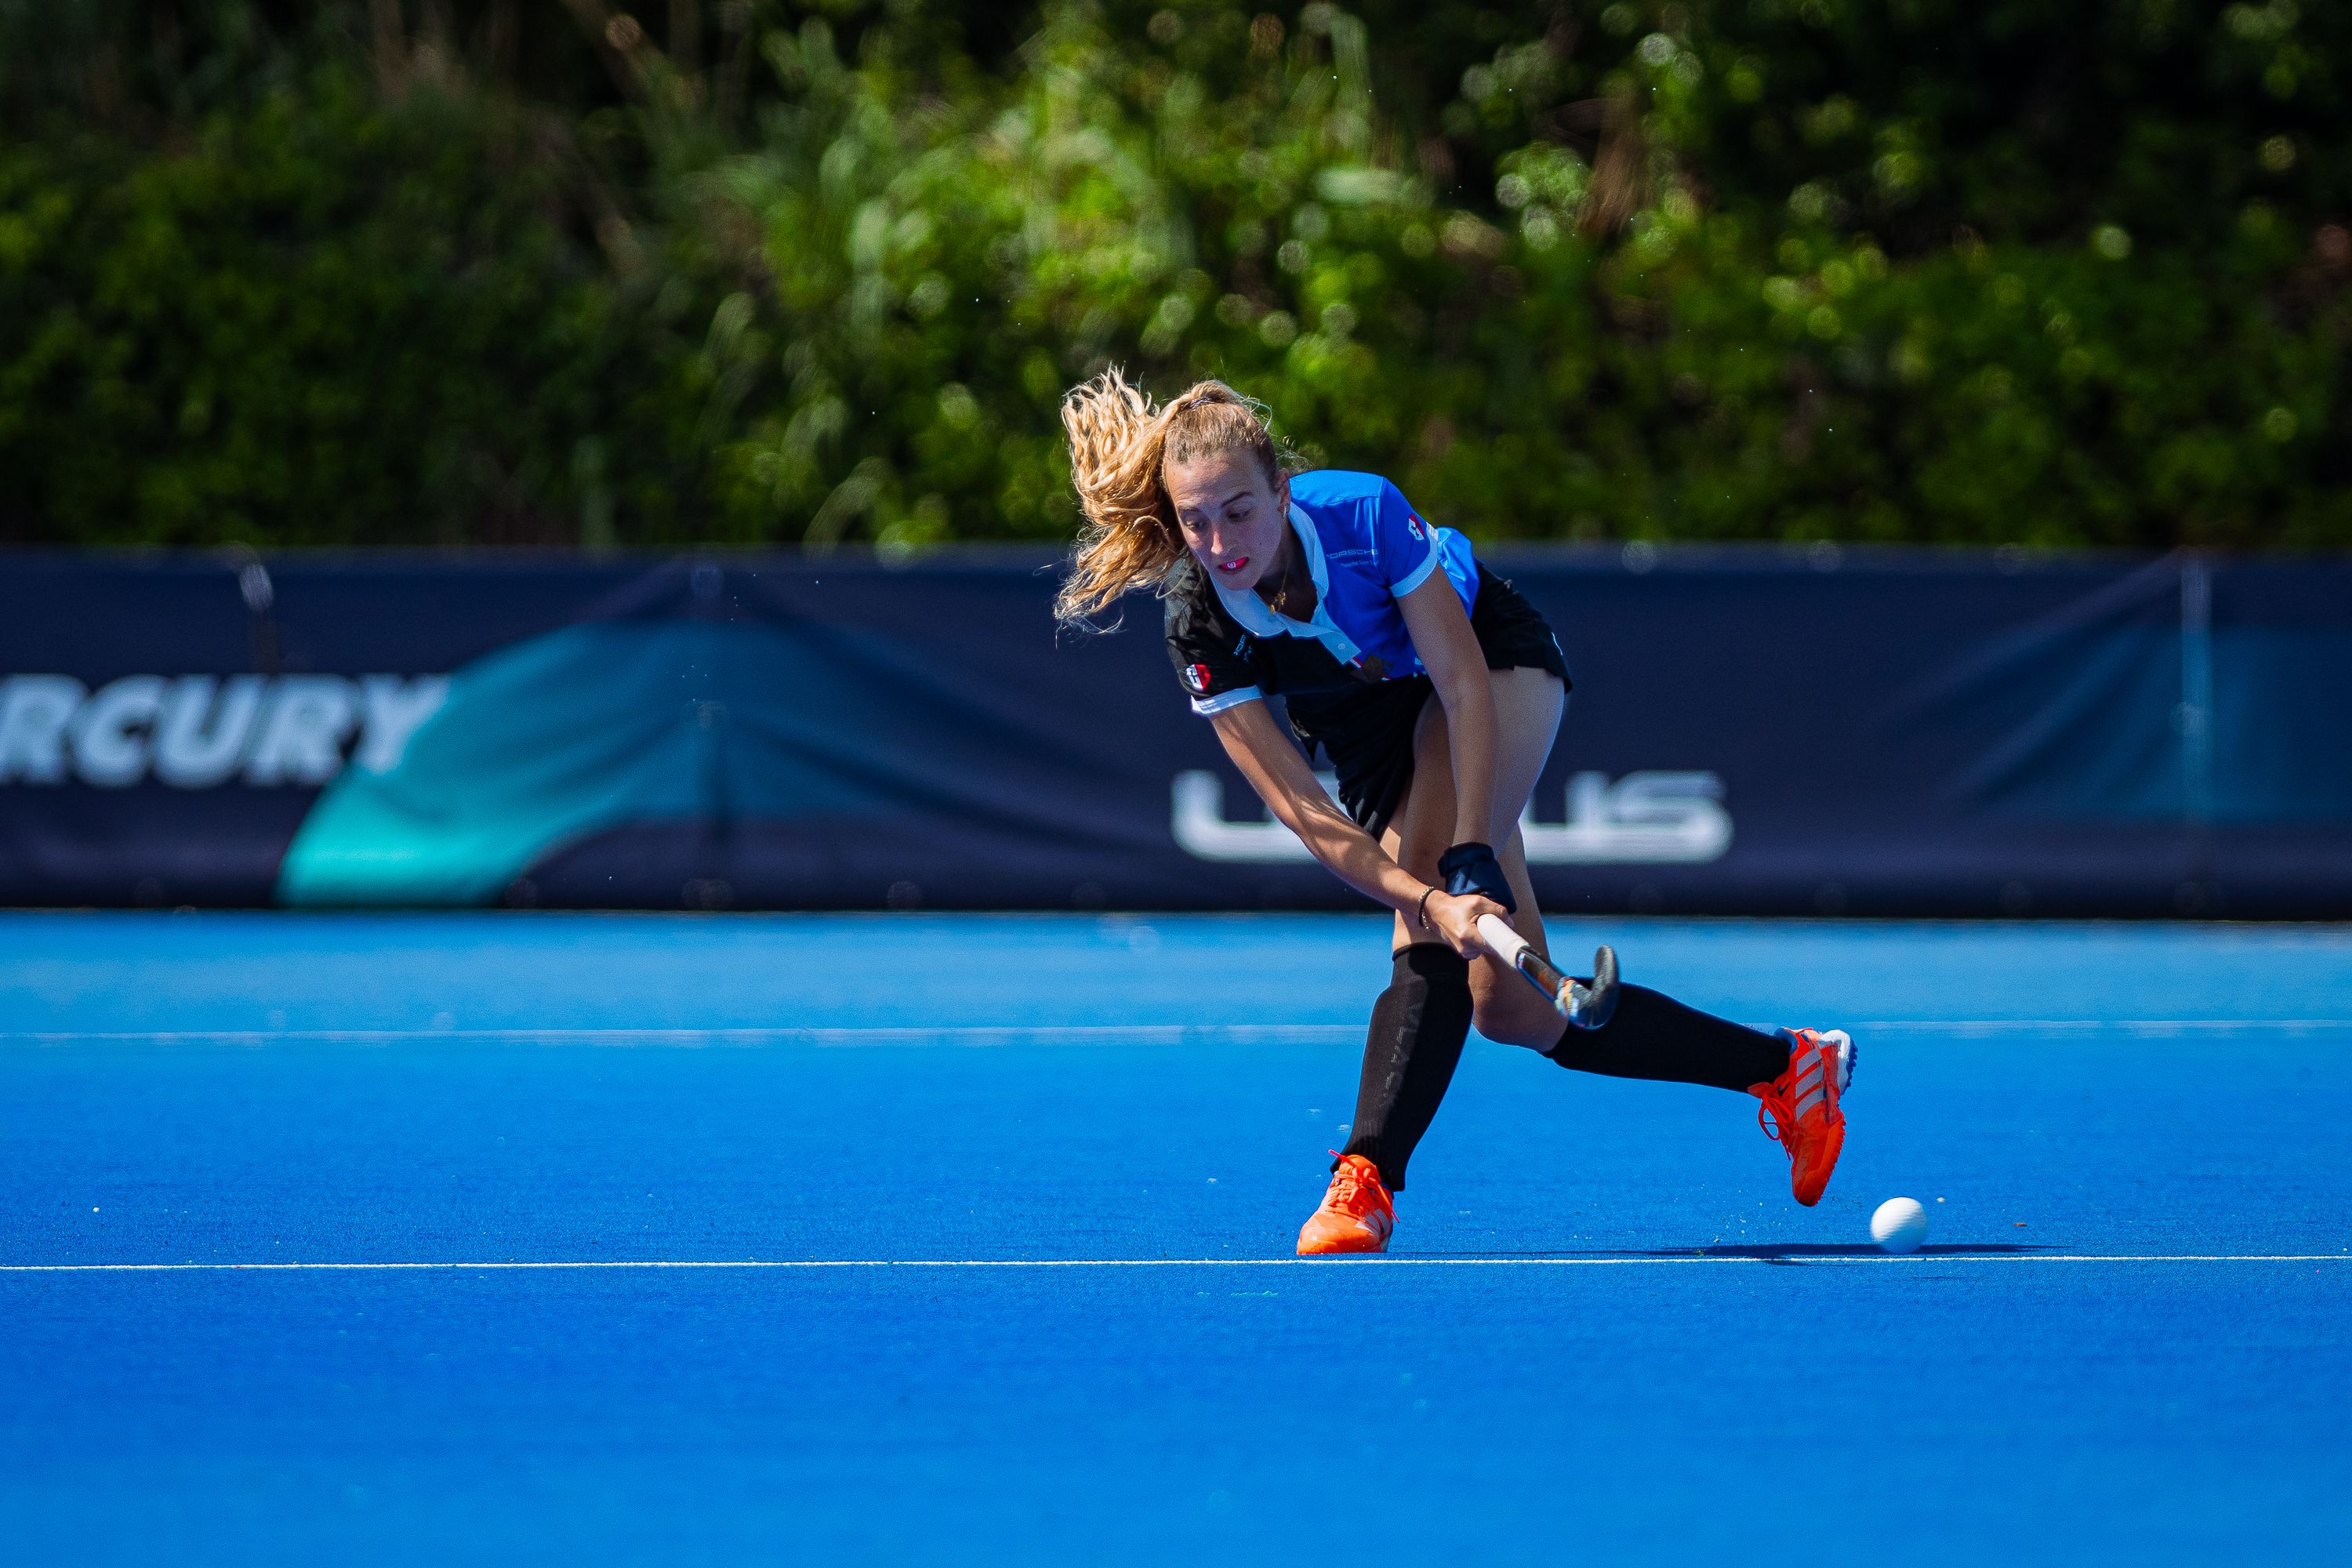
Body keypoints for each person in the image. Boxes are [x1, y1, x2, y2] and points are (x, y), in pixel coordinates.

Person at [1056, 371, 1856, 1254]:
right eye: (1196, 522)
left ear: (1282, 493)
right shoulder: (1200, 623)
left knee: (1432, 885)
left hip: (1488, 667)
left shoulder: (1361, 515)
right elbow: (1305, 811)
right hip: (1367, 736)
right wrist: (1433, 897)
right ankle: (1789, 1066)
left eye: (1239, 512)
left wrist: (1468, 849)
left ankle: (1365, 1180)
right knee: (1515, 1012)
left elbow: (1462, 682)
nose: (1220, 542)